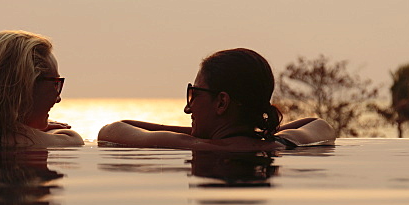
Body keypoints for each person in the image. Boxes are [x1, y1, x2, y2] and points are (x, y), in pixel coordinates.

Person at [98, 48, 335, 150]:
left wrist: (195, 135)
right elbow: (320, 125)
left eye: (195, 94)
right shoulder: (283, 144)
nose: (188, 109)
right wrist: (259, 132)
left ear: (221, 102)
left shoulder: (195, 146)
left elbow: (111, 131)